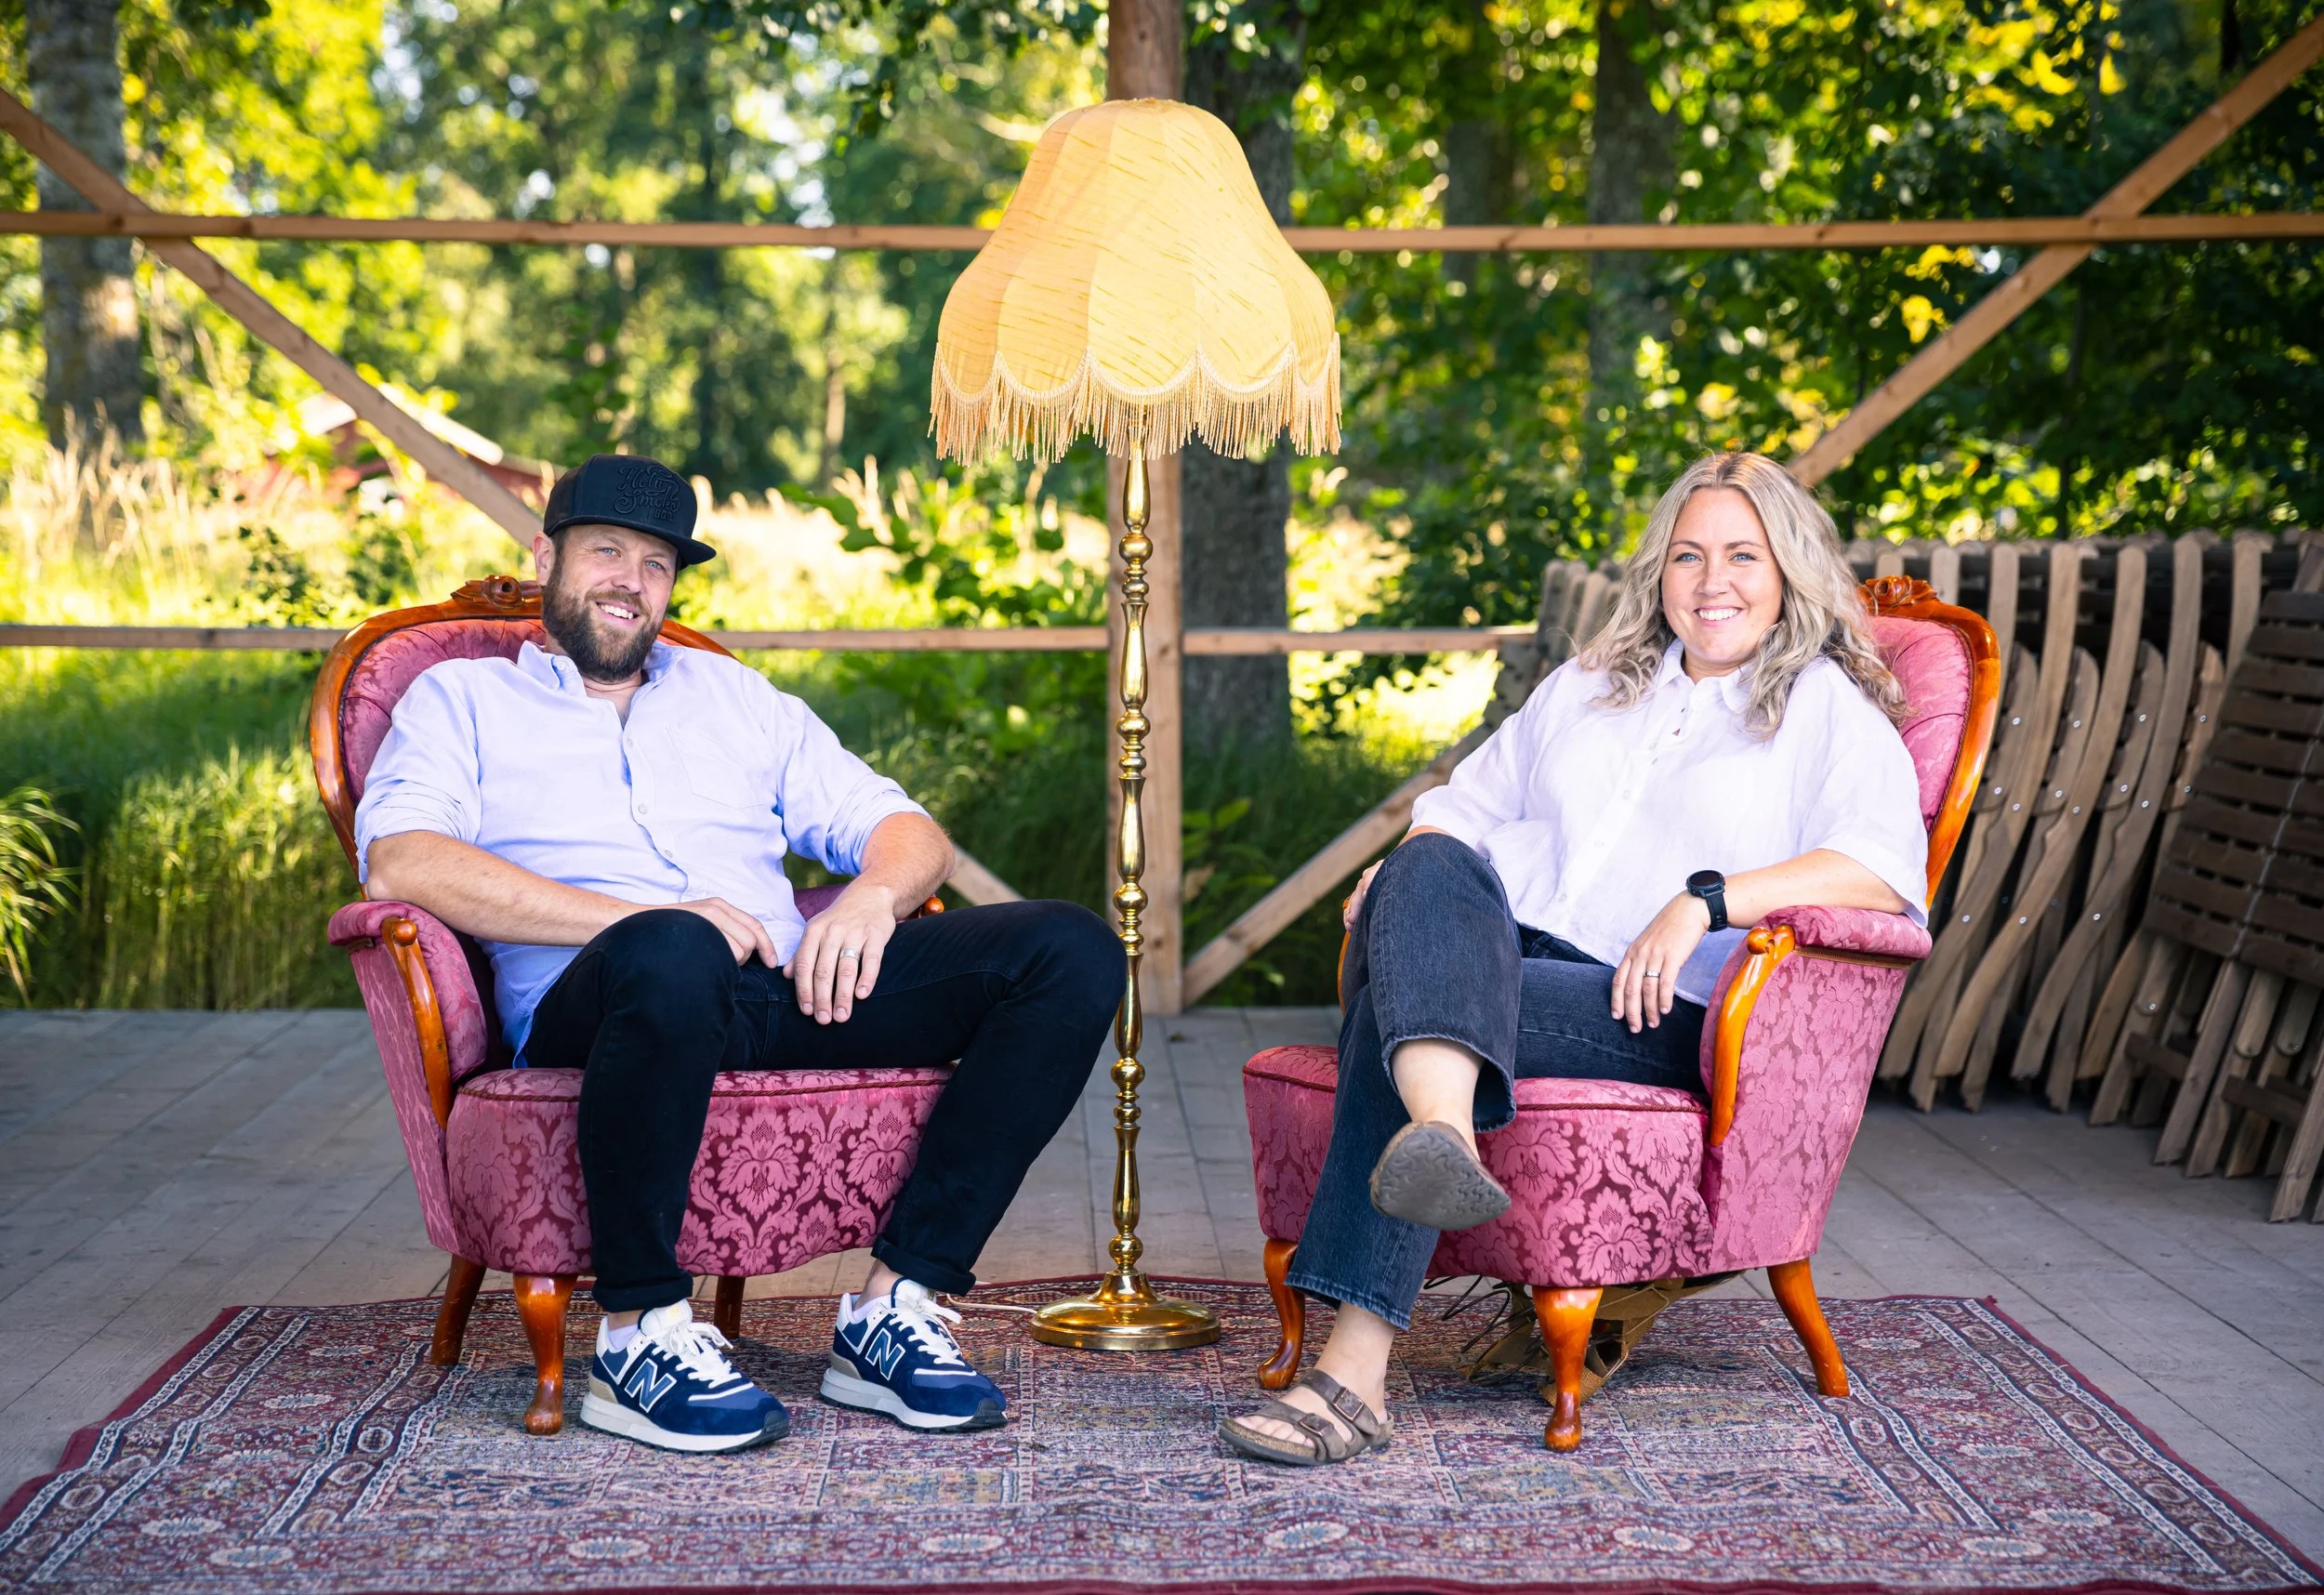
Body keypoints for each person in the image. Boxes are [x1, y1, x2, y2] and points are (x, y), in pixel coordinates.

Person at [357, 454, 1121, 1455]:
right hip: (608, 1002)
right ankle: (638, 1337)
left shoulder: (736, 697)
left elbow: (898, 823)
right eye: (607, 552)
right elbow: (402, 864)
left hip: (784, 985)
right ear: (545, 557)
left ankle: (894, 1310)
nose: (632, 580)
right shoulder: (461, 702)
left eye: (658, 564)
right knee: (670, 948)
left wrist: (871, 901)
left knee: (1066, 947)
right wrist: (642, 916)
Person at [1218, 452, 1927, 1467]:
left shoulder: (1821, 710)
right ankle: (1441, 1138)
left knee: (1397, 1008)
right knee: (1423, 859)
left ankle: (1359, 1360)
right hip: (1496, 953)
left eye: (1740, 555)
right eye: (1687, 556)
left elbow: (1879, 870)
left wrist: (1708, 897)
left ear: (1787, 570)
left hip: (1640, 1008)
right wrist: (1410, 872)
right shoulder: (1593, 681)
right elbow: (1466, 804)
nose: (1711, 581)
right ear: (1658, 572)